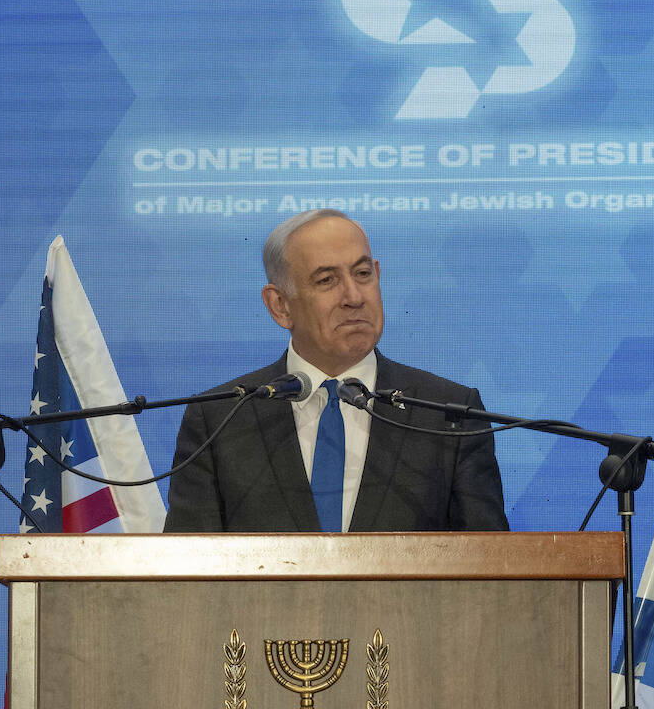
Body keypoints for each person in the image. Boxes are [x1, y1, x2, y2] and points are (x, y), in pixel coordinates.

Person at [163, 209, 508, 533]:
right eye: (327, 280)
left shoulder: (449, 412)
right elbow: (187, 574)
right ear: (280, 305)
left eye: (362, 274)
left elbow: (491, 568)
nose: (354, 296)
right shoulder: (220, 418)